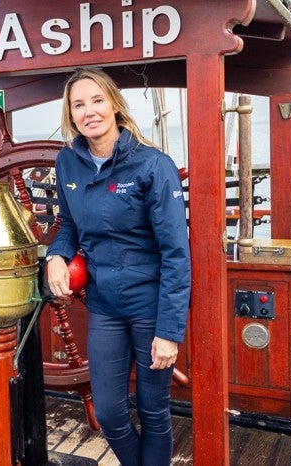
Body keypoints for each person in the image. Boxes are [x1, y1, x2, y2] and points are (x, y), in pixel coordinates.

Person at [44, 67, 191, 466]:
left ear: (114, 104)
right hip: (105, 306)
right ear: (70, 114)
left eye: (96, 100)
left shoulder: (153, 166)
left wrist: (169, 331)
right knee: (108, 412)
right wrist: (55, 254)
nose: (89, 111)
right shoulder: (68, 163)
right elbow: (68, 224)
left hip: (151, 307)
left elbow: (177, 252)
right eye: (79, 104)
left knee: (153, 410)